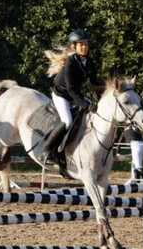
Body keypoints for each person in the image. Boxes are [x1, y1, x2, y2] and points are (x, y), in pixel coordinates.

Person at [42, 29, 102, 164]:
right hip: (62, 95)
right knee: (67, 121)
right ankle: (47, 150)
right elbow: (70, 89)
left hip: (75, 94)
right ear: (74, 47)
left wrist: (100, 99)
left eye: (86, 44)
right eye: (81, 45)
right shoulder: (70, 62)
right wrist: (86, 105)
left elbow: (95, 84)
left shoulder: (90, 62)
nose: (84, 47)